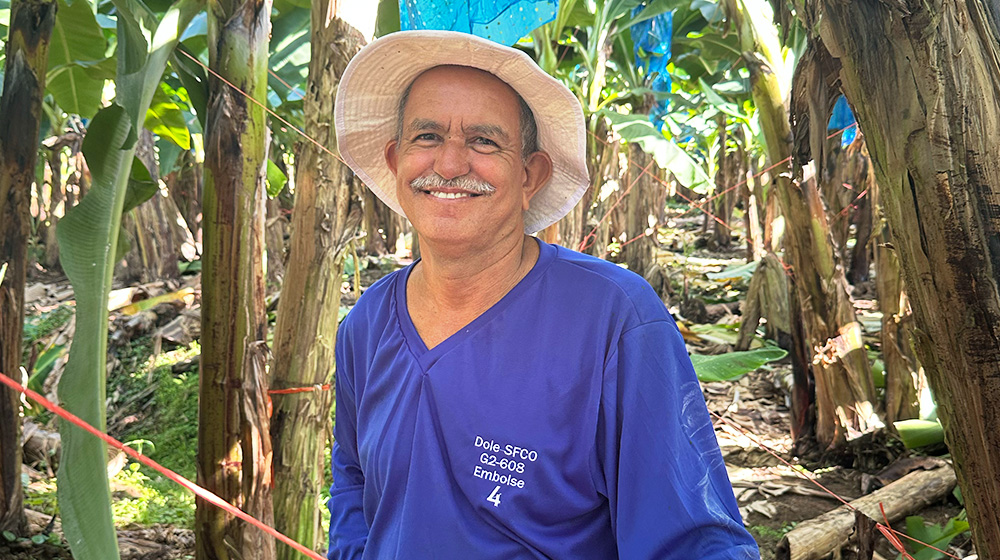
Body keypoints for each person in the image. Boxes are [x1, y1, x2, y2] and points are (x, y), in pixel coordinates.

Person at [328, 30, 759, 559]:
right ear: (396, 161)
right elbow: (352, 479)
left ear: (531, 174)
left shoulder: (611, 318)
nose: (449, 164)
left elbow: (694, 540)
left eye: (484, 141)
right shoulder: (366, 325)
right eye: (427, 137)